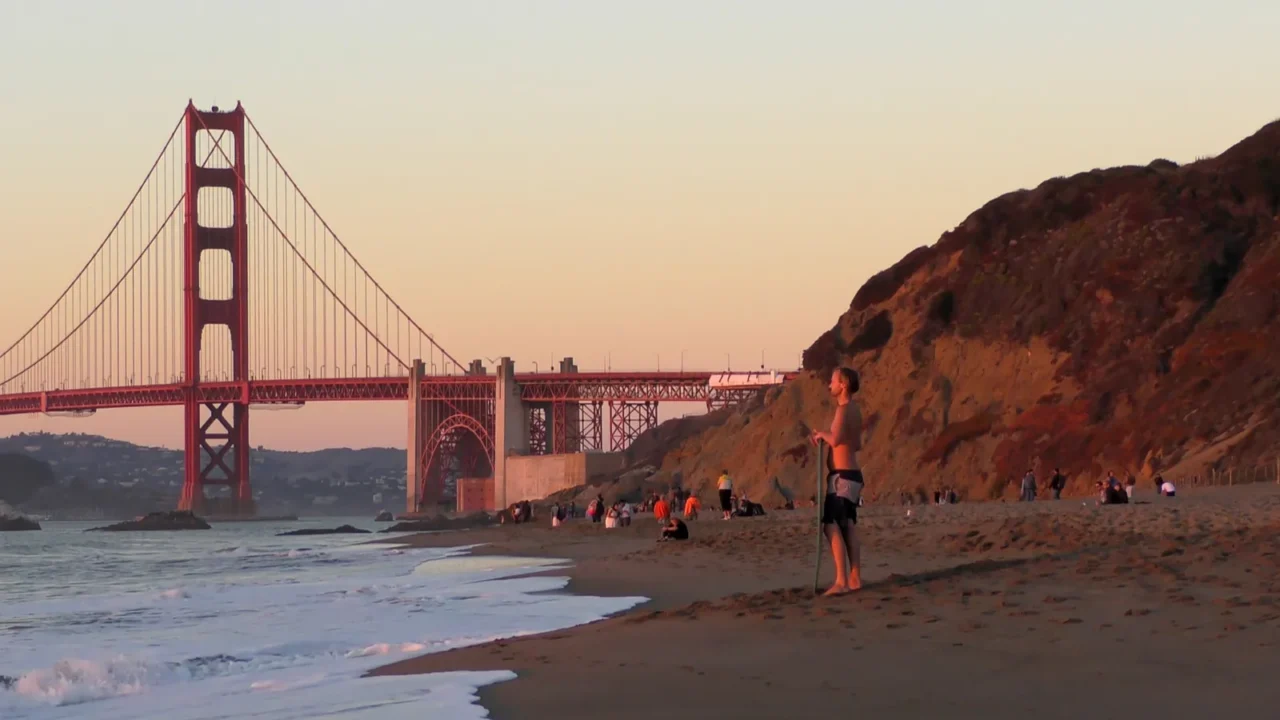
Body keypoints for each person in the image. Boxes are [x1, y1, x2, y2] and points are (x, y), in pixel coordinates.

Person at [809, 366, 865, 596]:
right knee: (847, 524)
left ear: (843, 384)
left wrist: (822, 435)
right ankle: (854, 578)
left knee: (831, 524)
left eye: (832, 380)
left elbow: (837, 438)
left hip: (842, 476)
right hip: (851, 474)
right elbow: (856, 444)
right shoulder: (855, 410)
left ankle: (841, 581)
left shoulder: (843, 410)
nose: (829, 384)